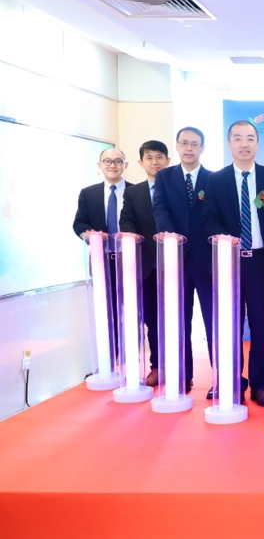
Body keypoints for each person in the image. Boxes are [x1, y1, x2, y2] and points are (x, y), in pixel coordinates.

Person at [202, 120, 264, 407]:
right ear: (229, 144)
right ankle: (232, 381)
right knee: (231, 326)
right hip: (230, 263)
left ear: (257, 144)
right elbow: (209, 218)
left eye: (250, 138)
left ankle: (260, 385)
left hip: (262, 263)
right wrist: (223, 238)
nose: (244, 144)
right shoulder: (216, 180)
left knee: (262, 327)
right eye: (237, 138)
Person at [152, 127, 214, 397]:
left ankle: (221, 379)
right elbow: (160, 207)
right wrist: (170, 236)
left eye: (194, 144)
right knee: (178, 321)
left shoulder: (213, 179)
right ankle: (182, 376)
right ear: (177, 146)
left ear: (202, 148)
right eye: (184, 143)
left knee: (215, 321)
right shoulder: (164, 177)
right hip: (175, 259)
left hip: (207, 261)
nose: (189, 148)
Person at [73, 148, 132, 355]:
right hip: (102, 261)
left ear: (125, 165)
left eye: (118, 161)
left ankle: (130, 358)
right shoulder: (88, 194)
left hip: (130, 260)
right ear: (99, 165)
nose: (112, 165)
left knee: (131, 311)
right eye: (107, 161)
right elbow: (79, 223)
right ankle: (110, 358)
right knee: (106, 312)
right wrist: (88, 233)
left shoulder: (136, 191)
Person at [119, 140, 167, 388]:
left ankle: (182, 370)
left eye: (159, 157)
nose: (154, 162)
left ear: (168, 161)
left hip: (178, 265)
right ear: (141, 162)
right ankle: (157, 367)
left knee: (181, 319)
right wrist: (130, 235)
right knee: (152, 320)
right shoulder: (133, 193)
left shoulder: (178, 188)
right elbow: (126, 220)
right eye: (149, 158)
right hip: (148, 267)